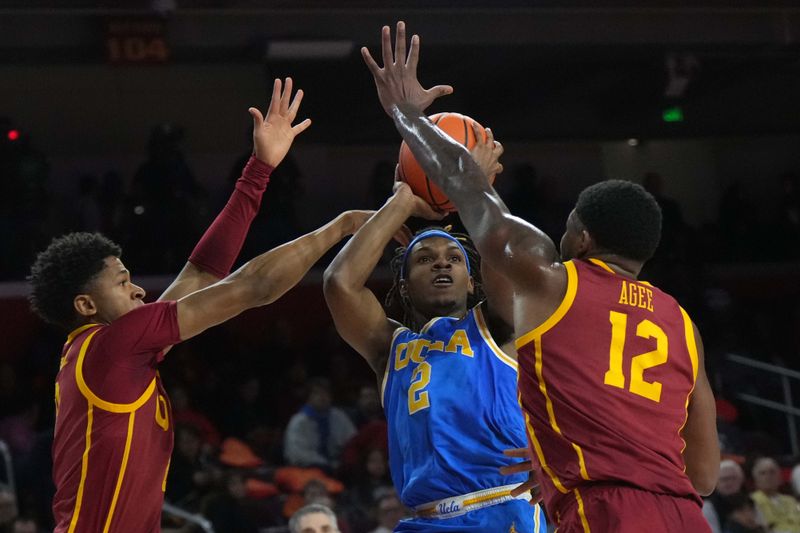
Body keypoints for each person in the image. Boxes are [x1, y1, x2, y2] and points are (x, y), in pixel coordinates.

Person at [361, 21, 720, 532]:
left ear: (584, 238)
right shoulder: (682, 324)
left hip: (606, 513)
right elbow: (704, 474)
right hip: (687, 517)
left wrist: (406, 114)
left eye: (569, 225)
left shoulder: (554, 283)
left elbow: (468, 187)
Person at [28, 78, 371, 533]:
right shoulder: (111, 347)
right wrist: (340, 227)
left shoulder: (110, 354)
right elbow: (253, 286)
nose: (140, 292)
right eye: (124, 282)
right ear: (87, 304)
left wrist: (259, 170)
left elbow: (202, 275)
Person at [323, 162, 546, 530]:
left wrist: (471, 184)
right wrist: (400, 203)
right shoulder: (389, 348)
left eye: (454, 258)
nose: (441, 262)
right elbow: (339, 284)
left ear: (472, 283)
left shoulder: (499, 325)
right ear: (405, 286)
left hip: (503, 508)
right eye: (425, 259)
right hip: (424, 519)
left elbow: (501, 248)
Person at [284, 377, 357, 472]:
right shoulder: (298, 421)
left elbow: (354, 440)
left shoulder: (339, 416)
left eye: (326, 393)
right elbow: (297, 454)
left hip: (338, 466)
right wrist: (325, 464)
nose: (322, 397)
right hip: (306, 468)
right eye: (317, 393)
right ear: (309, 397)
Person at [750, 456, 800, 533]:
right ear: (756, 480)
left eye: (772, 472)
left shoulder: (791, 501)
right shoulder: (751, 502)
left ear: (780, 478)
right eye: (762, 473)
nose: (768, 476)